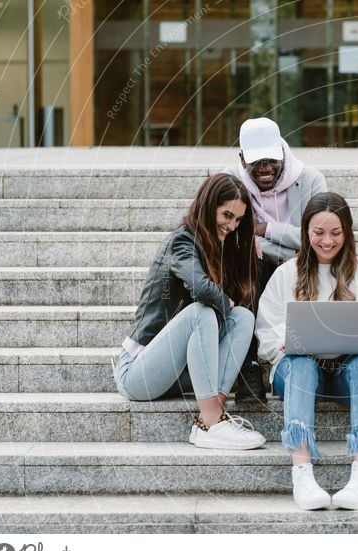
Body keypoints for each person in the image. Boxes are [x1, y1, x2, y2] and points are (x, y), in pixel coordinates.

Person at [256, 192, 358, 510]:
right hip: (298, 374)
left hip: (348, 375)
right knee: (300, 363)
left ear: (347, 233)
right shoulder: (286, 274)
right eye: (318, 233)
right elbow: (265, 332)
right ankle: (302, 471)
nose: (326, 241)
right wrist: (283, 342)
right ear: (306, 233)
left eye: (335, 233)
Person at [113, 173, 266, 450]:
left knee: (244, 317)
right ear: (209, 207)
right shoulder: (181, 242)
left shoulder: (221, 246)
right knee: (202, 312)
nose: (232, 225)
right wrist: (225, 301)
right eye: (227, 215)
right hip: (138, 371)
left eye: (239, 220)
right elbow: (201, 288)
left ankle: (212, 418)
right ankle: (211, 423)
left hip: (178, 373)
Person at [224, 117, 328, 402]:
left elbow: (319, 237)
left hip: (303, 263)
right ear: (242, 157)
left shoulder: (311, 180)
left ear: (283, 150)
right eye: (256, 162)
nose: (265, 169)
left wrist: (264, 229)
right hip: (256, 265)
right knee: (246, 262)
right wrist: (268, 242)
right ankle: (249, 365)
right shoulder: (230, 181)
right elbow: (228, 234)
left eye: (271, 159)